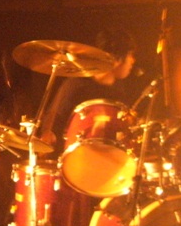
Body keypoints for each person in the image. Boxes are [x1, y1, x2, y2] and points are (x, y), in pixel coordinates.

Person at [39, 26, 138, 154]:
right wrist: (48, 134)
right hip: (77, 157)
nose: (133, 61)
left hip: (109, 157)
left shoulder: (119, 90)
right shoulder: (77, 85)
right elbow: (53, 118)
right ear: (116, 59)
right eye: (130, 55)